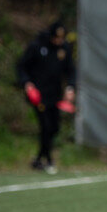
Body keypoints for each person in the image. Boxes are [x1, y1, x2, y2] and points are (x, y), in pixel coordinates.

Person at [17, 22, 76, 174]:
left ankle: (38, 159)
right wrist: (27, 84)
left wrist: (70, 87)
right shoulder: (37, 46)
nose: (59, 41)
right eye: (56, 38)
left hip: (55, 95)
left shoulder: (64, 48)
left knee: (54, 128)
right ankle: (48, 160)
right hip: (38, 95)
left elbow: (71, 71)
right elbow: (22, 66)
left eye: (61, 38)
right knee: (46, 126)